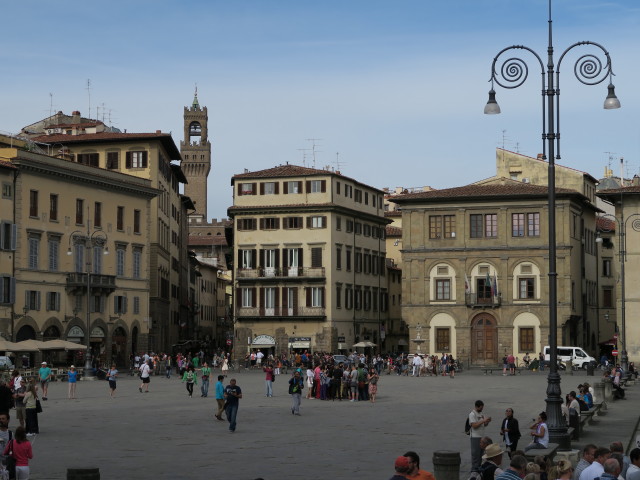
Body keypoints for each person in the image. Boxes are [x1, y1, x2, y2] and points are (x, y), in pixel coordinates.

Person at [469, 400, 492, 471]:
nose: (482, 409)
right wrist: (483, 420)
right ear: (476, 407)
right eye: (481, 408)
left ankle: (479, 469)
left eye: (482, 408)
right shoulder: (472, 414)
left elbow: (484, 424)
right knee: (475, 454)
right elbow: (474, 425)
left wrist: (487, 422)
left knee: (481, 454)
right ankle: (474, 470)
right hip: (475, 437)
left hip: (481, 436)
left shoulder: (481, 414)